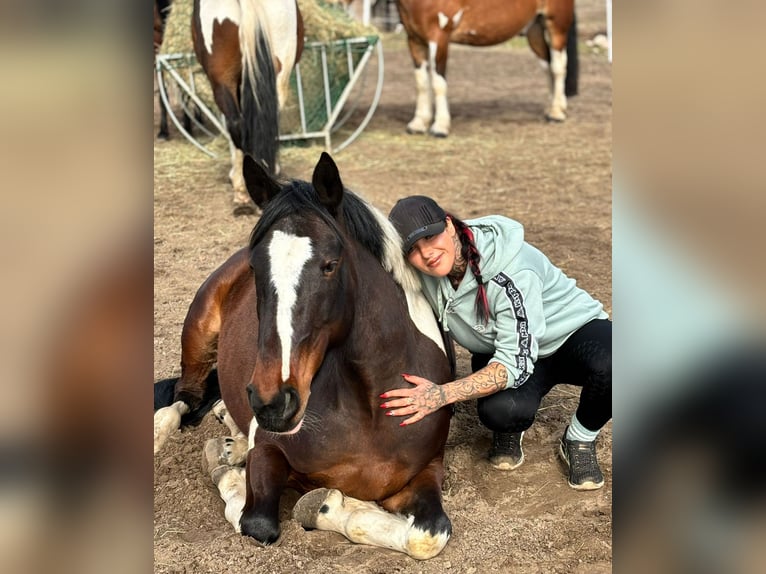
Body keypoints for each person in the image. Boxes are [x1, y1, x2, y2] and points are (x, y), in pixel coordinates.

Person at [381, 196, 611, 490]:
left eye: (430, 236)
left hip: (569, 334)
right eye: (412, 249)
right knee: (501, 413)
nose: (426, 253)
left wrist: (440, 395)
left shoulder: (512, 269)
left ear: (449, 226)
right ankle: (511, 429)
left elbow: (512, 364)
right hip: (506, 347)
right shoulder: (426, 271)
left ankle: (579, 437)